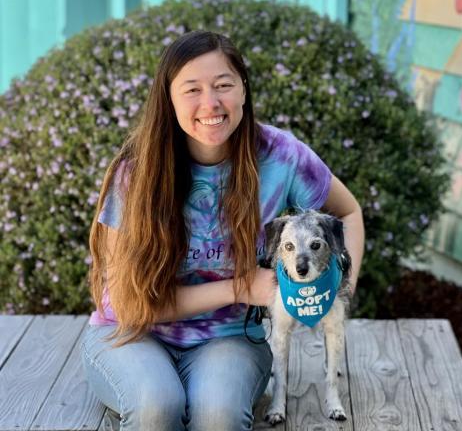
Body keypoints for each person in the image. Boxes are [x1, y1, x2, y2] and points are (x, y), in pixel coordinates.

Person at [81, 30, 364, 431]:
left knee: (217, 416)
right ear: (169, 99)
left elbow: (348, 212)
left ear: (244, 91)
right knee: (156, 407)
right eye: (191, 89)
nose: (210, 103)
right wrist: (240, 288)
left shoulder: (280, 156)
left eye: (224, 85)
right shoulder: (136, 172)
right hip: (132, 332)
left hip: (228, 335)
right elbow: (127, 304)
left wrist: (339, 285)